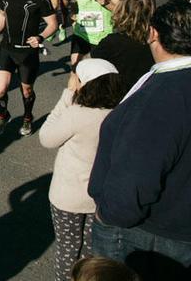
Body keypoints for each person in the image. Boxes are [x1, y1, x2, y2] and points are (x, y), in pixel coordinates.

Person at [89, 0, 191, 279]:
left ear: (153, 34)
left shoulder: (163, 94)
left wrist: (107, 215)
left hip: (147, 233)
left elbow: (138, 172)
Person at [39, 59, 123, 281]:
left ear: (84, 83)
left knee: (68, 249)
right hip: (99, 196)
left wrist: (67, 94)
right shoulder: (120, 113)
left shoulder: (78, 113)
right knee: (89, 250)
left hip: (68, 197)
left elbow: (47, 138)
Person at [0, 0, 59, 137]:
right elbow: (2, 17)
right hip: (7, 48)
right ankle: (3, 115)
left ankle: (27, 117)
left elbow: (52, 24)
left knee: (26, 91)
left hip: (27, 52)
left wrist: (40, 37)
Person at [89, 0, 155, 96]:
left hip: (117, 98)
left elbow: (91, 63)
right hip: (147, 96)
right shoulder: (156, 40)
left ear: (122, 10)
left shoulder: (112, 42)